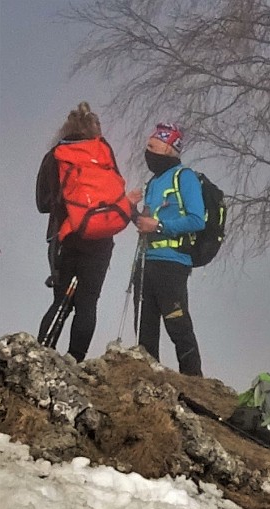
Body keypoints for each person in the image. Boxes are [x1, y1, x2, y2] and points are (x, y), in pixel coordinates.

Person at [35, 102, 129, 360]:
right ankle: (76, 359)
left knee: (61, 301)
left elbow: (43, 203)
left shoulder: (56, 155)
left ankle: (41, 355)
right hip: (101, 235)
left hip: (67, 236)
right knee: (87, 303)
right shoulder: (103, 150)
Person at [130, 121, 204, 376]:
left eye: (153, 145)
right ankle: (150, 381)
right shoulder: (153, 182)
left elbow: (197, 220)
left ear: (168, 148)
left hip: (172, 263)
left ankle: (195, 382)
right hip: (146, 262)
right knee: (145, 328)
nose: (147, 151)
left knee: (178, 325)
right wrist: (130, 208)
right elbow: (144, 223)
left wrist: (158, 226)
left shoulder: (185, 177)